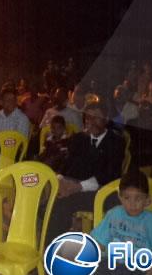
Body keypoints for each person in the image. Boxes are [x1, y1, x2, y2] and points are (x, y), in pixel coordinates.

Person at [57, 171, 152, 275]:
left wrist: (151, 271)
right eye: (127, 198)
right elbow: (99, 243)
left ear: (147, 200)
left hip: (134, 271)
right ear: (120, 198)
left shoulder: (151, 220)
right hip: (106, 265)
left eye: (138, 198)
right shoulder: (114, 214)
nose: (132, 204)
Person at [45, 102, 125, 244]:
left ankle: (52, 246)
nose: (91, 122)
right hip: (76, 187)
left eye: (96, 118)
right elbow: (67, 164)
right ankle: (53, 237)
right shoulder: (79, 138)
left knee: (61, 204)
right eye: (88, 118)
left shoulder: (116, 142)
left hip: (103, 191)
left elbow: (109, 175)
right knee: (47, 196)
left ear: (106, 119)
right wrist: (60, 180)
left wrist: (77, 187)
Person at [126, 100, 152, 169]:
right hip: (133, 159)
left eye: (146, 106)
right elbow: (127, 141)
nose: (142, 108)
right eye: (140, 105)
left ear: (151, 110)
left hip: (149, 160)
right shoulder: (131, 123)